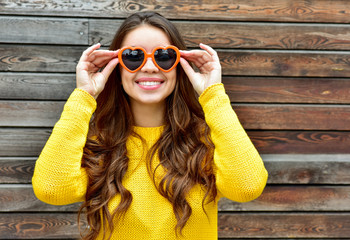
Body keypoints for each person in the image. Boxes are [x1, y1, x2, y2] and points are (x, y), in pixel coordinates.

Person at [32, 11, 268, 240]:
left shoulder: (208, 142)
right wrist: (84, 95)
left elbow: (247, 187)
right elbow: (51, 189)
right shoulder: (98, 145)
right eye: (133, 57)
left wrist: (212, 94)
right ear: (117, 66)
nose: (149, 67)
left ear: (179, 64)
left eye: (163, 56)